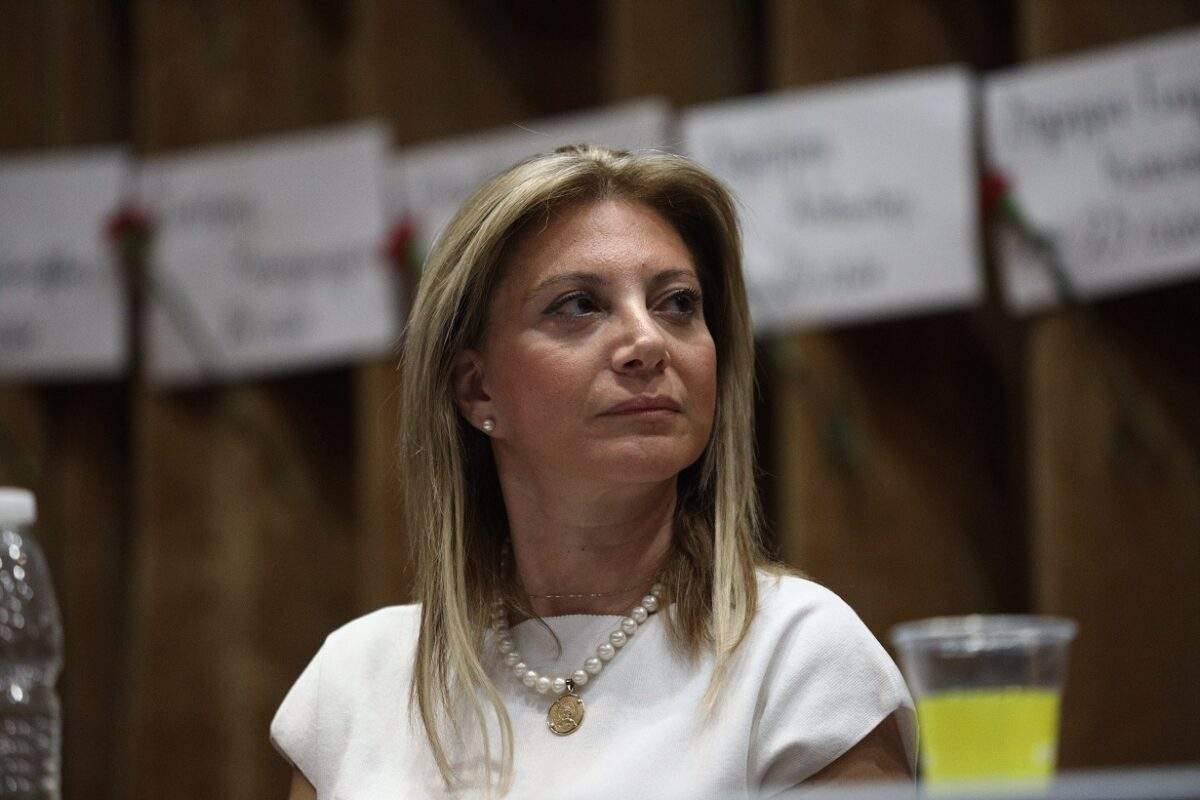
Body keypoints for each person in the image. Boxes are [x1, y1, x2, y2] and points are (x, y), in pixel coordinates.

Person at [271, 145, 916, 799]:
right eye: (579, 306)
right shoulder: (356, 682)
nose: (647, 342)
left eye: (677, 303)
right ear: (477, 389)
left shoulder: (799, 654)